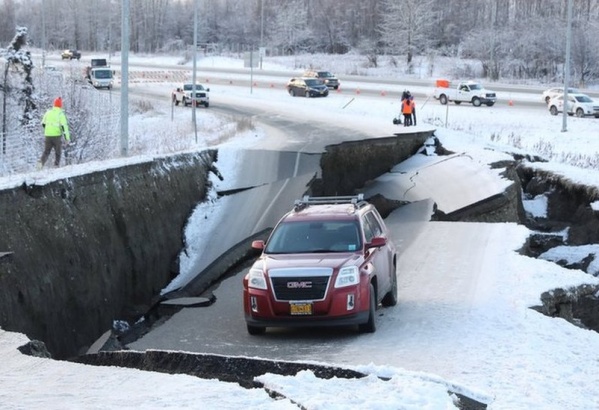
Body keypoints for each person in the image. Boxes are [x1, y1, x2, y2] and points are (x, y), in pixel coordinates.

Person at [39, 97, 70, 169]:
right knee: (58, 152)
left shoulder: (48, 112)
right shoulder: (60, 114)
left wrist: (47, 130)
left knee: (46, 152)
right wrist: (67, 139)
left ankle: (40, 165)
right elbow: (64, 127)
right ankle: (56, 166)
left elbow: (43, 123)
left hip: (48, 135)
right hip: (56, 136)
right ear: (60, 105)